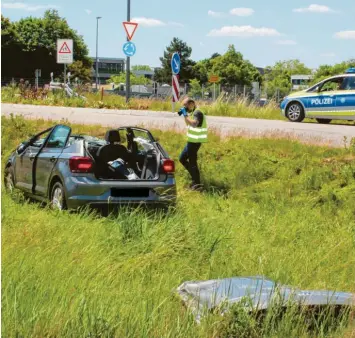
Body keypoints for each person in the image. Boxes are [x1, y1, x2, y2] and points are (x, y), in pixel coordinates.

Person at [178, 98, 208, 191]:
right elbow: (189, 124)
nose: (185, 107)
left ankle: (197, 184)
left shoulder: (197, 113)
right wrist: (184, 115)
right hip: (191, 141)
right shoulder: (192, 113)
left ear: (192, 104)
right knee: (182, 159)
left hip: (195, 142)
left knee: (192, 162)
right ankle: (195, 179)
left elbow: (194, 124)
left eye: (185, 105)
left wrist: (185, 114)